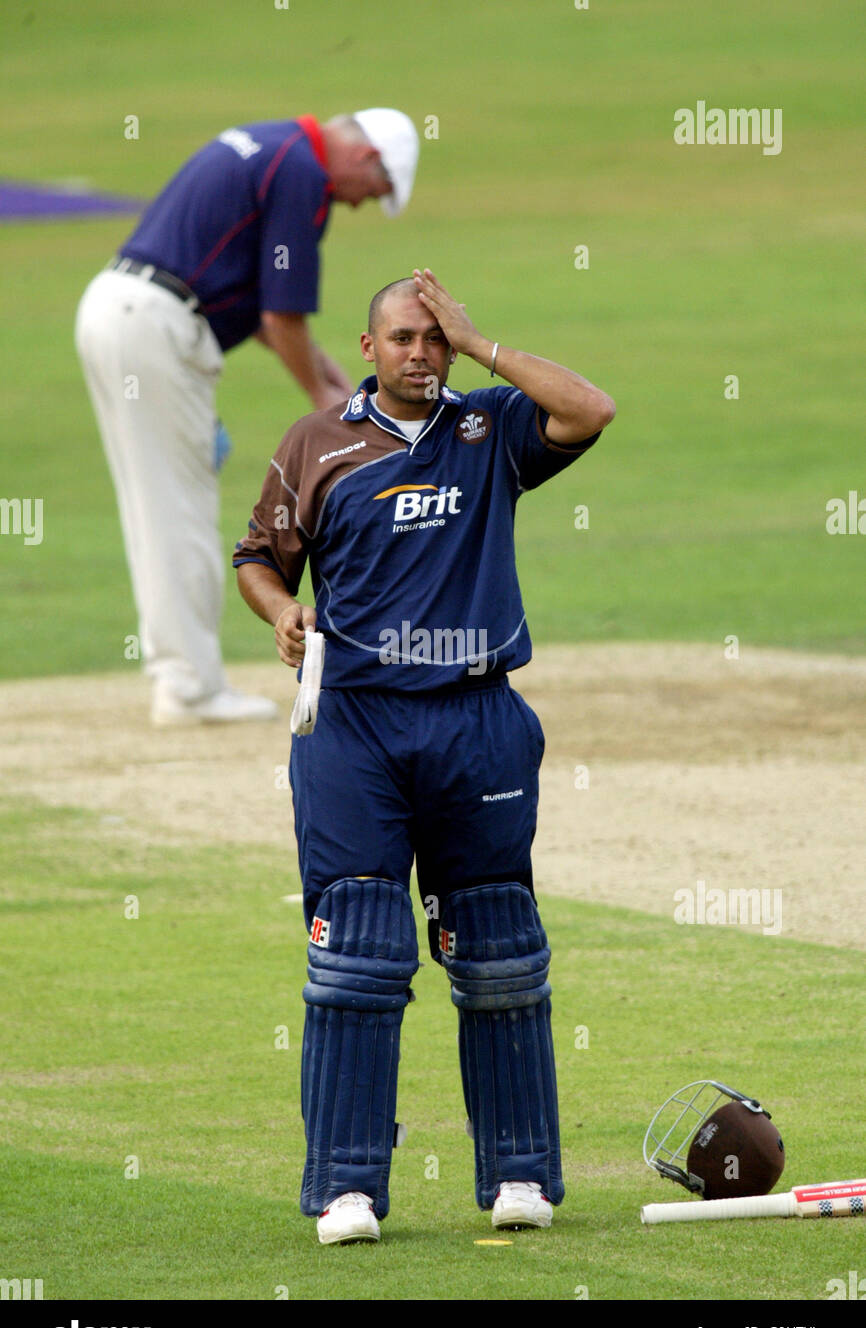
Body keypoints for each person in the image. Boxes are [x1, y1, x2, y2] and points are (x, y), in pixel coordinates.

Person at [234, 268, 615, 1243]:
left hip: (477, 719)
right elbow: (258, 560)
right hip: (354, 725)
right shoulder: (314, 443)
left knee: (497, 952)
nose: (420, 351)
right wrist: (284, 615)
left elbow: (589, 408)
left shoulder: (490, 430)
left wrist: (482, 343)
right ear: (366, 349)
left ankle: (520, 1177)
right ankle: (348, 1189)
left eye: (433, 337)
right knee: (358, 951)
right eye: (403, 336)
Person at [75, 110, 419, 725]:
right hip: (153, 328)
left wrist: (334, 381)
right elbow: (282, 314)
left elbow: (267, 313)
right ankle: (188, 688)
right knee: (175, 509)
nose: (365, 204)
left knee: (157, 504)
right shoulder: (302, 172)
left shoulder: (276, 143)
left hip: (121, 310)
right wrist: (327, 402)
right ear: (368, 159)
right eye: (377, 191)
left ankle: (181, 678)